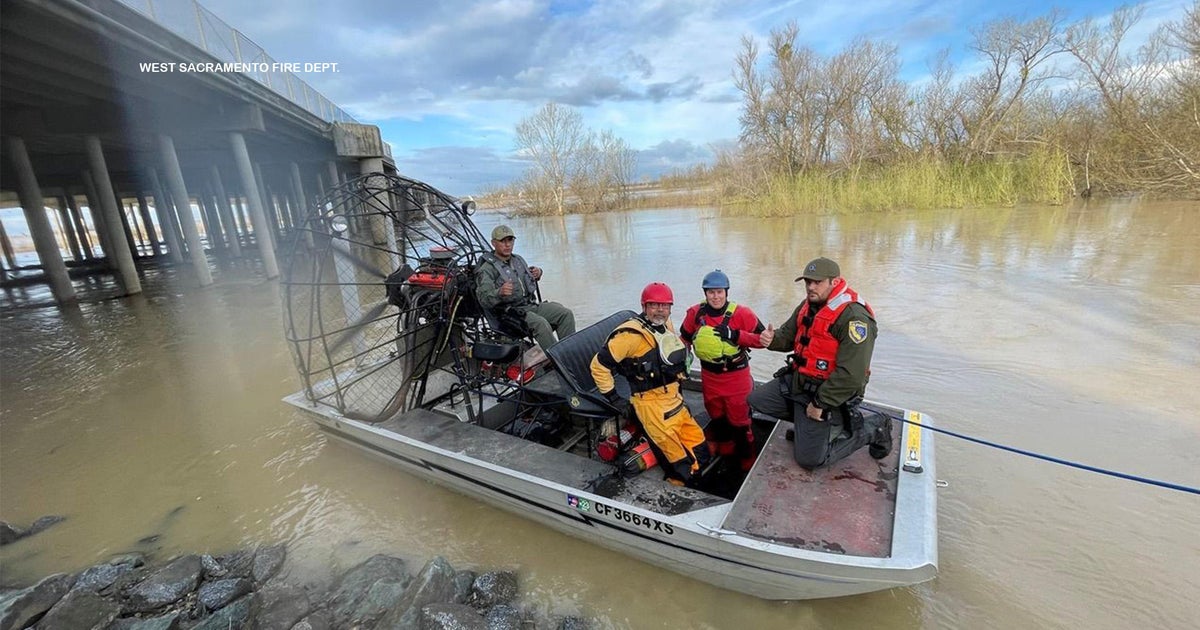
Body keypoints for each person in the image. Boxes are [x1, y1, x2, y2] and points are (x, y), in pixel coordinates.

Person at [747, 257, 891, 469]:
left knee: (809, 460)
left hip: (832, 393)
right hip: (801, 382)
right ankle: (809, 429)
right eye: (807, 282)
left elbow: (851, 375)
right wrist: (772, 339)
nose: (811, 287)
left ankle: (874, 428)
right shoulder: (808, 304)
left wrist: (820, 404)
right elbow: (787, 336)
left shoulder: (854, 317)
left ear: (835, 282)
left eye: (817, 282)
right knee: (757, 400)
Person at [590, 282, 711, 486]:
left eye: (665, 305)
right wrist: (614, 398)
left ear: (670, 308)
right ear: (644, 306)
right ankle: (680, 485)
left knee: (699, 444)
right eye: (654, 305)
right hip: (650, 405)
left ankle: (700, 474)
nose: (660, 310)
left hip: (674, 399)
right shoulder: (629, 337)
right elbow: (598, 366)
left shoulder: (665, 325)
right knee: (675, 456)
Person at [679, 270, 768, 471]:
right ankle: (725, 454)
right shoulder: (695, 313)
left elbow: (764, 341)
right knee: (717, 418)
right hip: (709, 377)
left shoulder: (743, 314)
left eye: (719, 292)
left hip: (736, 378)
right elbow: (684, 339)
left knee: (740, 424)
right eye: (711, 292)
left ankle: (747, 463)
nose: (716, 297)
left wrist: (736, 335)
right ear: (705, 293)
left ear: (727, 292)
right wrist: (682, 359)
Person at [474, 225, 575, 350]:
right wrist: (499, 292)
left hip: (529, 306)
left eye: (510, 240)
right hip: (509, 315)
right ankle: (558, 358)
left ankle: (571, 352)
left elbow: (525, 280)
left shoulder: (518, 260)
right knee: (540, 324)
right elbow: (483, 299)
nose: (507, 245)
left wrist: (537, 273)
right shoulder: (487, 270)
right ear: (494, 243)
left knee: (565, 314)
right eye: (502, 241)